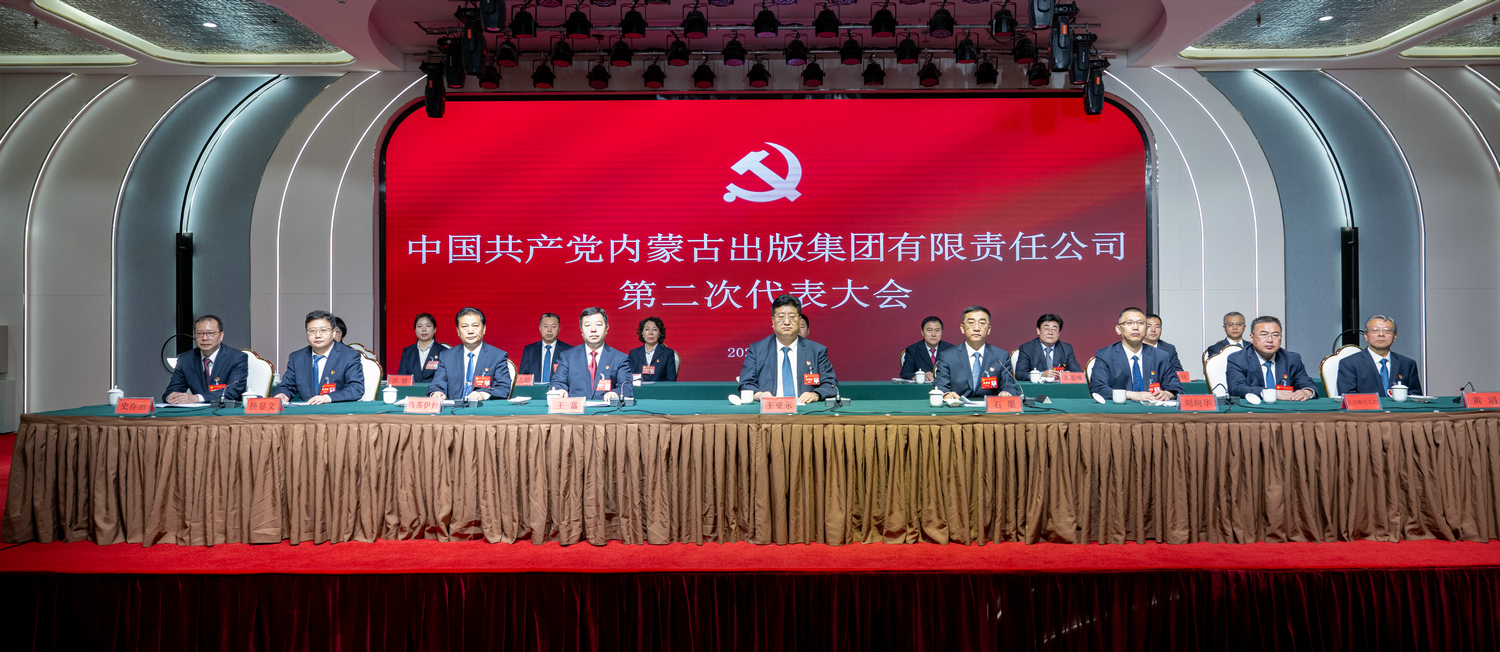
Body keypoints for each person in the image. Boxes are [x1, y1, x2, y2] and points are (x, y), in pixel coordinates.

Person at [738, 294, 838, 403]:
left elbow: (830, 384)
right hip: (770, 409)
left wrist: (815, 394)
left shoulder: (816, 351)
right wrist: (758, 394)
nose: (786, 322)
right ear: (773, 321)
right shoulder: (757, 350)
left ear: (799, 320)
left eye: (792, 317)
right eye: (781, 317)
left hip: (805, 409)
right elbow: (745, 383)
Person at [273, 310, 365, 404]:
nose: (317, 335)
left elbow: (356, 389)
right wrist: (282, 394)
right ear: (307, 333)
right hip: (306, 411)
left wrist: (328, 398)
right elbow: (286, 386)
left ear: (333, 332)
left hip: (335, 410)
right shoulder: (297, 358)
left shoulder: (349, 356)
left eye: (323, 330)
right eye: (312, 331)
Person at [1090, 307, 1182, 401]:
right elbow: (1098, 389)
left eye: (1141, 323)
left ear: (1145, 329)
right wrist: (1130, 395)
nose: (1135, 328)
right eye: (1129, 323)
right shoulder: (1106, 355)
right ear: (1119, 329)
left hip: (1152, 408)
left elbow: (1176, 388)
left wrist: (1168, 393)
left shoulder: (1161, 356)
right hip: (1120, 408)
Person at [1225, 316, 1318, 401]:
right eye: (1263, 334)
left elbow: (1308, 384)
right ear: (1252, 338)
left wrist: (1306, 392)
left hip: (1287, 409)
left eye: (1275, 335)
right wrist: (1272, 394)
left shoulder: (1292, 359)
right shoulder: (1238, 359)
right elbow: (1236, 388)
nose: (1270, 340)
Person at [935, 305, 1018, 400]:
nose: (976, 328)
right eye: (971, 323)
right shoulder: (947, 356)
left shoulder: (1000, 356)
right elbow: (940, 384)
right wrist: (946, 394)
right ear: (962, 328)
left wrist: (1006, 392)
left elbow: (1009, 385)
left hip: (989, 407)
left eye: (982, 323)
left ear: (989, 330)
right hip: (957, 406)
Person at [550, 307, 633, 400]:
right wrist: (560, 390)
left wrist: (616, 393)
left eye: (598, 325)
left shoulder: (620, 358)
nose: (593, 329)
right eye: (588, 325)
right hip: (576, 408)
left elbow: (627, 387)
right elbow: (557, 383)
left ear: (607, 328)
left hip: (607, 407)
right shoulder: (567, 357)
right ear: (581, 329)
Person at [428, 307, 511, 402]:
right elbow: (437, 384)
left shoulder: (497, 356)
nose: (470, 331)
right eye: (464, 326)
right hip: (454, 408)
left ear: (484, 329)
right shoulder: (446, 357)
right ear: (458, 331)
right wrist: (437, 392)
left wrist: (482, 395)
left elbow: (503, 388)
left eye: (475, 326)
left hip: (482, 408)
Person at [162, 314, 248, 404]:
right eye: (199, 334)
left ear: (221, 335)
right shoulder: (185, 359)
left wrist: (197, 398)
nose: (204, 338)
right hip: (195, 411)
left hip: (226, 410)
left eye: (210, 333)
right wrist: (171, 397)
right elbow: (172, 390)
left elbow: (232, 391)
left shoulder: (236, 358)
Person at [1337, 315, 1422, 397]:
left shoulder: (1407, 364)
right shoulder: (1349, 363)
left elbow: (1415, 397)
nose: (1381, 334)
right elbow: (1348, 397)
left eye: (1387, 330)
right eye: (1375, 330)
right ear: (1366, 335)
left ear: (1394, 336)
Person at [1013, 313, 1082, 380]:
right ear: (1038, 331)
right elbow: (1020, 374)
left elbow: (1078, 373)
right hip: (1037, 387)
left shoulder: (1066, 349)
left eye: (1054, 329)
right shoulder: (1027, 348)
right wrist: (1041, 375)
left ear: (1059, 333)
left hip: (1060, 387)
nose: (1050, 333)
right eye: (1046, 329)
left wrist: (1069, 375)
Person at [518, 313, 573, 383]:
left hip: (559, 389)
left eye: (553, 326)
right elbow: (523, 378)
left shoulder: (569, 351)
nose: (549, 330)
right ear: (540, 328)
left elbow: (572, 378)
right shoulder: (529, 350)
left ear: (559, 328)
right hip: (535, 389)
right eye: (546, 326)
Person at [396, 313, 450, 384]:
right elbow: (402, 377)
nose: (424, 329)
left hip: (435, 390)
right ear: (415, 330)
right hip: (412, 390)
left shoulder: (444, 352)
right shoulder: (407, 352)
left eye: (428, 326)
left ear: (435, 329)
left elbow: (447, 378)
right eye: (420, 326)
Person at [899, 316, 954, 381]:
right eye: (929, 330)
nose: (933, 334)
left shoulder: (951, 350)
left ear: (941, 332)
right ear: (922, 332)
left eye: (937, 330)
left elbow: (958, 372)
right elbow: (905, 373)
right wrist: (920, 376)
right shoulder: (912, 350)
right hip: (922, 386)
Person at [627, 316, 677, 382]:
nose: (650, 333)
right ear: (642, 333)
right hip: (639, 388)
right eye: (647, 329)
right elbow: (629, 378)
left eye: (654, 329)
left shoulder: (668, 353)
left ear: (660, 333)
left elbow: (671, 380)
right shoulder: (634, 353)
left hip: (660, 388)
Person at [1143, 313, 1185, 377]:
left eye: (1157, 327)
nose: (1153, 330)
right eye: (1149, 326)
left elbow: (1179, 372)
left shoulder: (1169, 349)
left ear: (1161, 329)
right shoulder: (1135, 347)